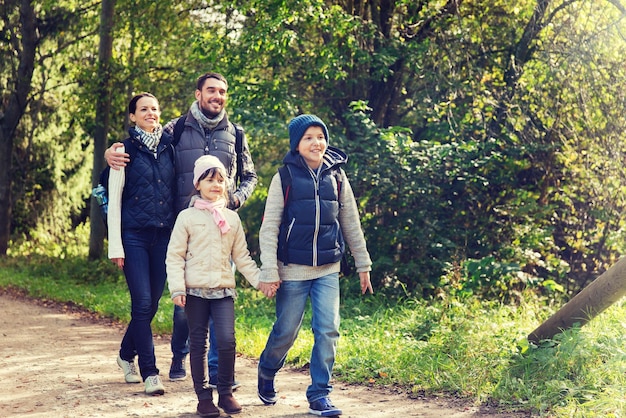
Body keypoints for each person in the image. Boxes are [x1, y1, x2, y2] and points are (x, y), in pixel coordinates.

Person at [105, 72, 258, 385]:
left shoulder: (235, 133)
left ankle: (217, 374)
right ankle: (174, 359)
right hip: (180, 227)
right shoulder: (174, 130)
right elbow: (136, 161)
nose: (217, 96)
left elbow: (250, 176)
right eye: (211, 90)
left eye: (222, 91)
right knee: (174, 302)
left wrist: (233, 202)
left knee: (219, 297)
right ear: (198, 93)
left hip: (219, 228)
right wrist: (110, 154)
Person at [256, 114, 374, 417]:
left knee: (328, 330)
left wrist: (363, 263)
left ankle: (320, 394)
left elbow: (350, 222)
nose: (316, 143)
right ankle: (268, 368)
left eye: (320, 137)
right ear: (297, 145)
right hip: (292, 269)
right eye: (308, 137)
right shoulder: (283, 177)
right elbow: (269, 227)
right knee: (286, 331)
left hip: (328, 268)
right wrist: (269, 271)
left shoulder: (337, 176)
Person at [166, 155, 276, 417]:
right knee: (198, 343)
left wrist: (260, 281)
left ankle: (225, 393)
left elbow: (242, 257)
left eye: (220, 180)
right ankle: (203, 397)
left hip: (223, 290)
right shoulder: (187, 217)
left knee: (227, 341)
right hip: (194, 291)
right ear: (198, 184)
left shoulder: (232, 219)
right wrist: (177, 288)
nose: (216, 185)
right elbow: (175, 255)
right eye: (209, 179)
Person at [108, 93, 175, 396]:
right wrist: (115, 246)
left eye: (154, 109)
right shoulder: (122, 150)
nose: (150, 113)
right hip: (133, 236)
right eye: (143, 109)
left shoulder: (169, 147)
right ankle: (150, 373)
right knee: (143, 304)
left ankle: (125, 353)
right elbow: (113, 199)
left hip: (163, 236)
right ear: (132, 116)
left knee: (152, 304)